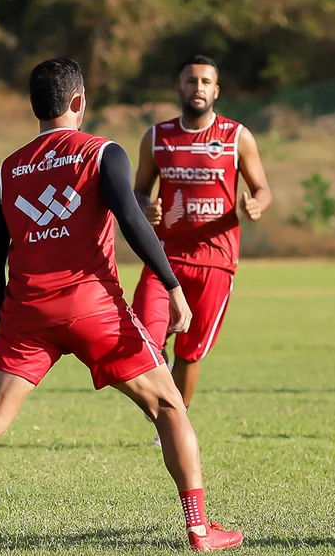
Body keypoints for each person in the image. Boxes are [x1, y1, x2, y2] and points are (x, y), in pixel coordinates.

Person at [0, 58, 243, 555]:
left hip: (27, 315)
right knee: (170, 407)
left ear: (34, 106)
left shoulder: (8, 171)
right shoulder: (103, 152)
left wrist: (6, 328)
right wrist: (171, 285)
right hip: (94, 308)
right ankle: (198, 528)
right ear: (79, 102)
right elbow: (132, 219)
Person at [131, 55, 272, 413]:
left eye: (206, 82)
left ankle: (174, 424)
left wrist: (256, 204)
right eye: (191, 81)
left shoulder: (236, 136)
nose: (198, 88)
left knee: (189, 352)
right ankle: (164, 409)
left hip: (216, 260)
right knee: (146, 336)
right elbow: (139, 190)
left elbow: (263, 189)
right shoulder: (158, 137)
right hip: (163, 257)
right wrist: (146, 206)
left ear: (216, 90)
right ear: (179, 88)